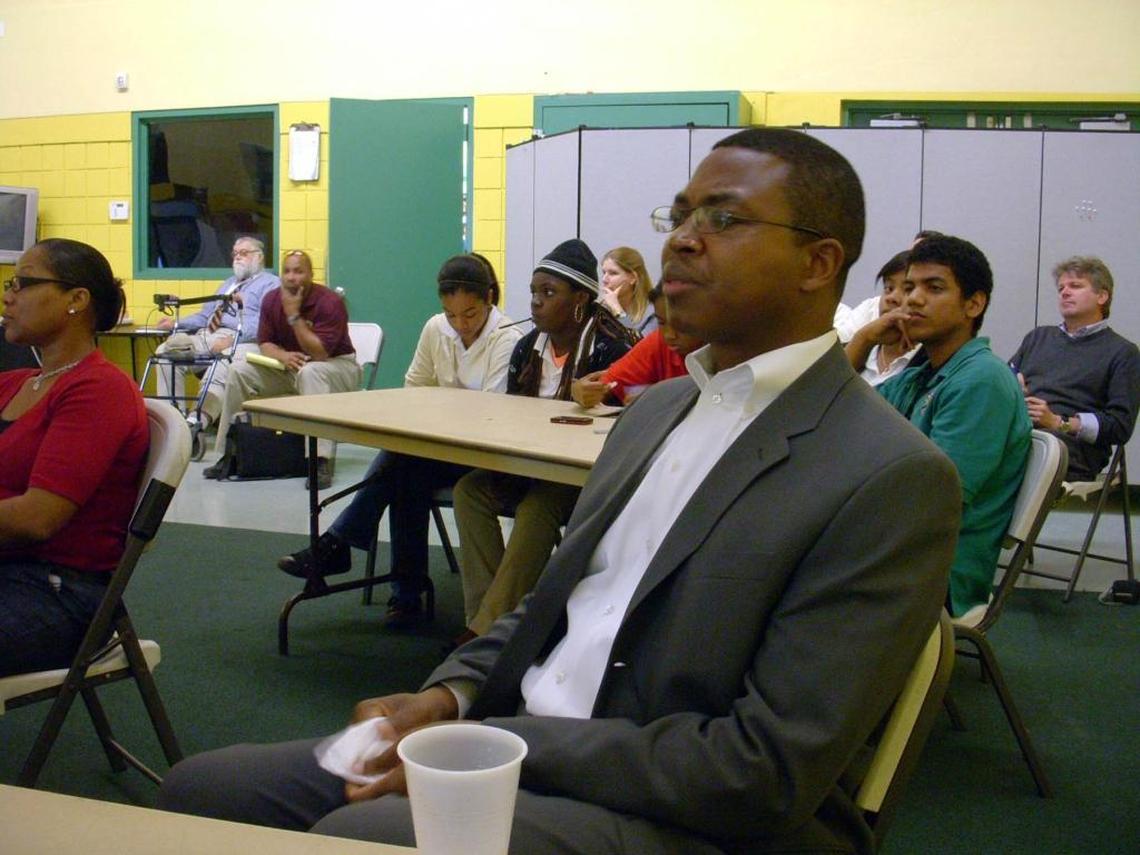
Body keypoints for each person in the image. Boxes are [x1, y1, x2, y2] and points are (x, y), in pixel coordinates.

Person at [159, 129, 961, 854]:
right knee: (204, 792)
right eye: (679, 214)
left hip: (688, 812)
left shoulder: (889, 475)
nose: (681, 238)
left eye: (722, 218)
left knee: (365, 834)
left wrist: (508, 744)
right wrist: (449, 692)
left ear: (819, 263)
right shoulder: (658, 409)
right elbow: (550, 602)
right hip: (521, 741)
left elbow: (763, 770)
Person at [276, 253, 523, 623]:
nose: (460, 325)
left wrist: (442, 408)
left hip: (482, 458)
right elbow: (414, 388)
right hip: (436, 450)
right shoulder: (435, 328)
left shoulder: (508, 339)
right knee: (406, 470)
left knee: (402, 465)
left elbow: (491, 413)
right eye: (451, 314)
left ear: (489, 299)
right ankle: (399, 589)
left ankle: (347, 549)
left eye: (470, 315)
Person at [452, 239, 637, 642]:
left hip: (583, 478)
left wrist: (603, 397)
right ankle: (489, 616)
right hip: (529, 465)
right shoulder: (526, 348)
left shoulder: (613, 347)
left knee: (538, 508)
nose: (535, 302)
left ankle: (485, 631)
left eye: (549, 293)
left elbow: (635, 420)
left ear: (581, 300)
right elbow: (513, 415)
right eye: (534, 292)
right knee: (470, 491)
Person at [0, 238, 149, 676]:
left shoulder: (98, 389)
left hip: (53, 592)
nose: (8, 296)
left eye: (23, 283)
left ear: (76, 300)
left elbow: (36, 518)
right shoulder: (17, 384)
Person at [879, 234, 1031, 617]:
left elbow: (935, 504)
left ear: (973, 304)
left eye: (934, 288)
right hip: (901, 549)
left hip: (933, 572)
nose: (911, 299)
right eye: (909, 287)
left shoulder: (981, 380)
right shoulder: (924, 372)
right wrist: (866, 339)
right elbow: (839, 411)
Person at [205, 250, 359, 489]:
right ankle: (231, 453)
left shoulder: (330, 302)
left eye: (299, 271)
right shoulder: (271, 299)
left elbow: (319, 354)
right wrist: (283, 356)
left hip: (336, 367)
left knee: (312, 371)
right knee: (239, 370)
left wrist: (294, 315)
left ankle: (319, 460)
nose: (291, 277)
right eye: (287, 271)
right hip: (292, 367)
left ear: (311, 274)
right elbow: (265, 343)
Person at [1010, 256, 1140, 481]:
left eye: (1076, 286)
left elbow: (1120, 426)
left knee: (989, 456)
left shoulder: (1123, 352)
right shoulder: (1038, 337)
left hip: (1068, 447)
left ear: (1102, 296)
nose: (1065, 292)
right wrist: (1011, 386)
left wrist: (1058, 422)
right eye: (1061, 288)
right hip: (1021, 433)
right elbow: (1006, 379)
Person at [155, 236, 280, 430]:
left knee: (222, 361)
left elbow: (266, 324)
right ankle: (171, 421)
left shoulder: (271, 284)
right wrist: (175, 324)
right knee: (165, 352)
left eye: (244, 253)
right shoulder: (228, 283)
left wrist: (232, 339)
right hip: (210, 334)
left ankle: (195, 423)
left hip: (244, 339)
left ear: (260, 257)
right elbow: (205, 315)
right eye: (235, 254)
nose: (237, 257)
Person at [571, 283, 703, 408]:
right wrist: (581, 391)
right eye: (661, 322)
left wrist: (663, 400)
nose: (669, 334)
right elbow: (607, 385)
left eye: (680, 323)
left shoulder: (721, 349)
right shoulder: (659, 342)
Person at [843, 250, 918, 386]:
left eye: (908, 289)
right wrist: (864, 338)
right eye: (888, 288)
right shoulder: (861, 347)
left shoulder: (928, 361)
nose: (891, 298)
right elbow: (820, 393)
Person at [598, 246, 656, 335]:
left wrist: (618, 312)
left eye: (613, 273)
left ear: (633, 278)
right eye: (604, 272)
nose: (604, 279)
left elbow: (640, 347)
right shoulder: (602, 311)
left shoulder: (653, 313)